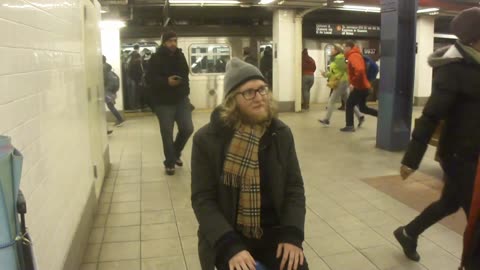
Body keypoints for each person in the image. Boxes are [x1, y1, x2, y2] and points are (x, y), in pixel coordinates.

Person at [191, 58, 308, 270]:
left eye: (262, 89)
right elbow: (203, 199)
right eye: (249, 92)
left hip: (274, 232)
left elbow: (294, 188)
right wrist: (229, 246)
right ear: (231, 101)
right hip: (228, 234)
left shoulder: (280, 134)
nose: (259, 98)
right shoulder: (207, 139)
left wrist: (292, 234)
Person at [394, 8, 480, 269]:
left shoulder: (476, 64)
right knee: (477, 220)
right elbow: (430, 115)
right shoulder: (454, 70)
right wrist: (411, 158)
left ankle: (408, 233)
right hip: (459, 155)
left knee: (449, 203)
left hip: (472, 153)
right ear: (474, 37)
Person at [146, 31, 194, 176]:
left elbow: (185, 75)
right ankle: (170, 162)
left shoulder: (181, 56)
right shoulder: (155, 58)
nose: (173, 43)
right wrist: (166, 82)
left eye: (175, 40)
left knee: (187, 128)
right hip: (163, 101)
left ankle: (175, 153)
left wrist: (185, 91)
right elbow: (150, 79)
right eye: (170, 41)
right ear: (164, 42)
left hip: (181, 99)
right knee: (167, 132)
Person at [319, 44, 364, 126]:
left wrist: (351, 82)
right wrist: (326, 74)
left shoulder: (340, 58)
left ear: (336, 50)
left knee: (332, 100)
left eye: (332, 49)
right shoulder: (336, 59)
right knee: (348, 101)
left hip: (341, 81)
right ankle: (360, 116)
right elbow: (335, 71)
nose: (331, 50)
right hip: (342, 81)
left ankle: (326, 119)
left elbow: (346, 70)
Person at [340, 41, 378, 132]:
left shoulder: (354, 56)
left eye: (344, 47)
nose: (343, 49)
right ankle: (382, 115)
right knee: (363, 108)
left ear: (349, 47)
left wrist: (354, 83)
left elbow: (360, 70)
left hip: (360, 86)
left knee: (349, 104)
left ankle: (349, 126)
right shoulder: (354, 55)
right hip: (364, 86)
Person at [103, 56, 125, 127]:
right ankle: (119, 119)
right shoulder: (109, 68)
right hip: (112, 91)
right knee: (111, 106)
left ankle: (120, 119)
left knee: (110, 106)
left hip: (107, 91)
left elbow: (103, 81)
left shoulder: (103, 69)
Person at [127, 44, 144, 110]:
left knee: (131, 93)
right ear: (138, 48)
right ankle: (136, 106)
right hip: (135, 78)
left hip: (130, 77)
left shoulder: (129, 55)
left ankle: (132, 106)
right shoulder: (137, 56)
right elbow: (138, 69)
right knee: (136, 93)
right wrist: (139, 79)